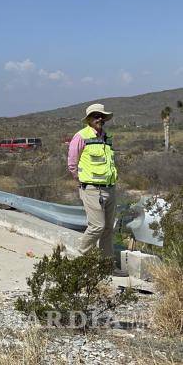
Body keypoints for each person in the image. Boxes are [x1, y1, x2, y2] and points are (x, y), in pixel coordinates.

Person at [67, 103, 127, 276]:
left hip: (110, 188)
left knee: (108, 228)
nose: (99, 118)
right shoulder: (81, 136)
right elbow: (72, 163)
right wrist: (82, 182)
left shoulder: (107, 137)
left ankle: (107, 267)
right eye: (95, 115)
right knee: (97, 226)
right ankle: (77, 259)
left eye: (101, 116)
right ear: (89, 119)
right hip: (92, 189)